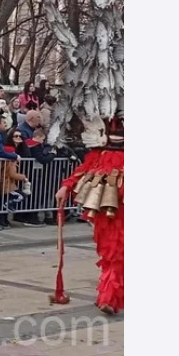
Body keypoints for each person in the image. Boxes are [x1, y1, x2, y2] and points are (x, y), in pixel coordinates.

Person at [55, 115, 124, 314]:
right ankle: (108, 296)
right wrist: (65, 187)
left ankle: (108, 297)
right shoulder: (99, 153)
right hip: (104, 210)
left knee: (119, 252)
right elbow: (82, 170)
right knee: (110, 252)